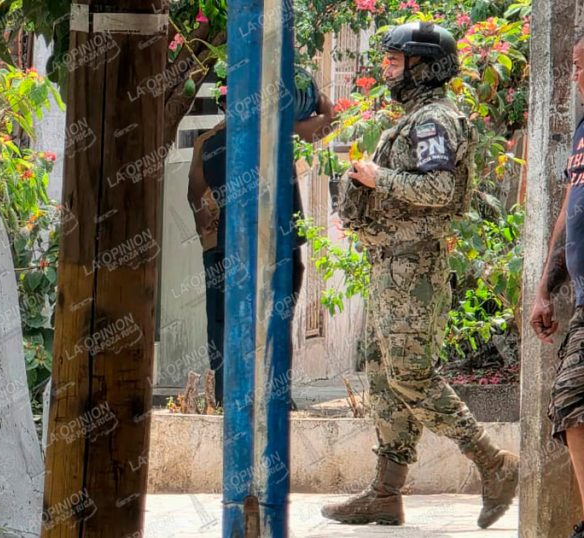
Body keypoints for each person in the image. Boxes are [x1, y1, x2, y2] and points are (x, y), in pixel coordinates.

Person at [322, 22, 518, 528]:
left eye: (395, 60)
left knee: (410, 375)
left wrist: (374, 176)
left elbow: (440, 189)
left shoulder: (434, 120)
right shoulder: (414, 118)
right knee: (384, 376)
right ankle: (385, 494)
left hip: (413, 268)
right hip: (392, 264)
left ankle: (495, 465)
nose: (386, 68)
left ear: (424, 66)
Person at [187, 78, 335, 406]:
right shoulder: (278, 132)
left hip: (228, 251)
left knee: (227, 326)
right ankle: (269, 396)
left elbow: (195, 194)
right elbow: (329, 122)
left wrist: (204, 222)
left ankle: (232, 397)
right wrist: (312, 90)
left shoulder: (214, 141)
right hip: (267, 252)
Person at [529, 35, 584, 538]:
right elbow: (570, 207)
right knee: (571, 399)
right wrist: (546, 287)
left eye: (582, 66)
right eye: (573, 64)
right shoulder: (583, 131)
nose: (576, 76)